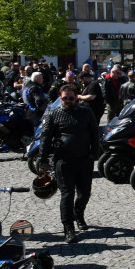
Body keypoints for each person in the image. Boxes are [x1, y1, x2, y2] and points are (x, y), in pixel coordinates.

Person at [38, 85, 100, 243]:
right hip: (64, 160)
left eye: (71, 98)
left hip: (84, 159)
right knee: (67, 194)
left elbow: (94, 133)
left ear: (76, 97)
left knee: (84, 193)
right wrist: (43, 159)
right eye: (65, 98)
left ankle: (79, 213)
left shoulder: (86, 112)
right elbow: (45, 137)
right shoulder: (54, 115)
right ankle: (68, 228)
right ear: (60, 98)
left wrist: (95, 152)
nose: (68, 101)